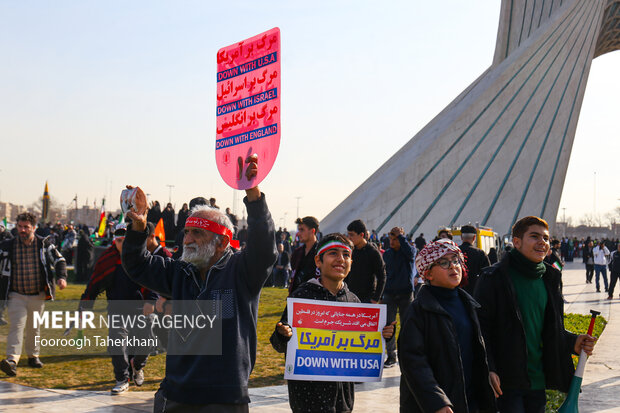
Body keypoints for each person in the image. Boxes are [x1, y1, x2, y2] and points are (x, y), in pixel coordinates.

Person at [121, 154, 277, 411]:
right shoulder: (179, 271)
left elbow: (264, 248)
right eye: (186, 232)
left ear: (223, 243)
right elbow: (138, 265)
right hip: (178, 393)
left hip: (224, 397)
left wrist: (252, 192)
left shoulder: (241, 271)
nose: (188, 239)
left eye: (198, 233)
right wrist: (139, 227)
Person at [474, 216, 596, 413]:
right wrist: (488, 367)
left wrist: (574, 342)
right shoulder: (493, 278)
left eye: (546, 238)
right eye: (534, 236)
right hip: (505, 382)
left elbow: (547, 328)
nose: (543, 242)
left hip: (537, 382)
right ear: (516, 242)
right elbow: (480, 330)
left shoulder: (550, 278)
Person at [270, 234, 395, 413]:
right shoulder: (302, 298)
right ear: (318, 261)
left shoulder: (354, 302)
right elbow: (279, 345)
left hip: (343, 401)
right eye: (333, 253)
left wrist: (385, 335)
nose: (340, 259)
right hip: (307, 401)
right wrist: (282, 335)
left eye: (346, 254)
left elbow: (364, 349)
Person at [399, 239, 496, 413]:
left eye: (456, 260)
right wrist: (437, 401)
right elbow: (413, 362)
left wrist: (490, 371)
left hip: (469, 400)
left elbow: (478, 349)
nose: (453, 266)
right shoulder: (419, 311)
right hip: (438, 406)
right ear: (428, 274)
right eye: (443, 262)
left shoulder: (468, 303)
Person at [79, 224, 158, 394]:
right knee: (116, 342)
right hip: (117, 308)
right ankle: (122, 378)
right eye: (119, 240)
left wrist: (150, 301)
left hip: (141, 307)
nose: (121, 244)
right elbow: (93, 284)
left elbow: (153, 280)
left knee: (148, 340)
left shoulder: (142, 257)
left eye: (125, 240)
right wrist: (84, 308)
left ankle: (137, 366)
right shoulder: (107, 259)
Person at [0, 212, 67, 377]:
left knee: (34, 327)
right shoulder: (7, 245)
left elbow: (60, 260)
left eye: (26, 227)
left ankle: (33, 355)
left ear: (34, 227)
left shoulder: (44, 244)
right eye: (20, 226)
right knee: (17, 325)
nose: (22, 230)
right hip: (16, 294)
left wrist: (61, 278)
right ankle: (12, 360)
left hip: (38, 294)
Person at [382, 226, 414, 367]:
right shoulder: (387, 254)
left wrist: (401, 236)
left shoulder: (408, 252)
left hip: (405, 293)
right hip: (389, 293)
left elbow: (411, 254)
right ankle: (391, 355)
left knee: (407, 324)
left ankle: (407, 353)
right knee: (389, 325)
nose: (392, 242)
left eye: (395, 239)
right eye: (391, 239)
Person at [344, 219, 386, 304]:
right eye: (348, 234)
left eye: (352, 235)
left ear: (362, 235)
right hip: (350, 297)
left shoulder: (373, 253)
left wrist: (376, 298)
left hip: (367, 299)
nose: (349, 238)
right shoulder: (350, 251)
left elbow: (382, 276)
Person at [288, 216, 320, 294]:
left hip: (315, 298)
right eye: (298, 230)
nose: (298, 233)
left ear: (312, 231)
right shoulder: (297, 253)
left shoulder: (322, 253)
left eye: (302, 230)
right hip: (295, 297)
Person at [458, 225, 491, 295]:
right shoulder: (480, 253)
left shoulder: (455, 252)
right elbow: (487, 275)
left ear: (461, 237)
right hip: (475, 293)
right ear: (474, 238)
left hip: (458, 293)